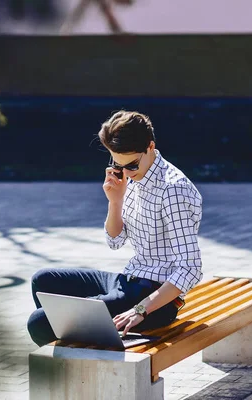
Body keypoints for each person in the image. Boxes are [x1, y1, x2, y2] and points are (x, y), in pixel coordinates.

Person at [27, 110, 203, 346]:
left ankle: (81, 357)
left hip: (154, 299)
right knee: (44, 281)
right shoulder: (133, 178)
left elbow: (190, 268)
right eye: (117, 165)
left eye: (131, 165)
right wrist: (115, 201)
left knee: (39, 322)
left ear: (150, 146)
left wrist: (140, 309)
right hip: (128, 280)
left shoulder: (173, 190)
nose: (126, 173)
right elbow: (115, 241)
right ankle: (80, 347)